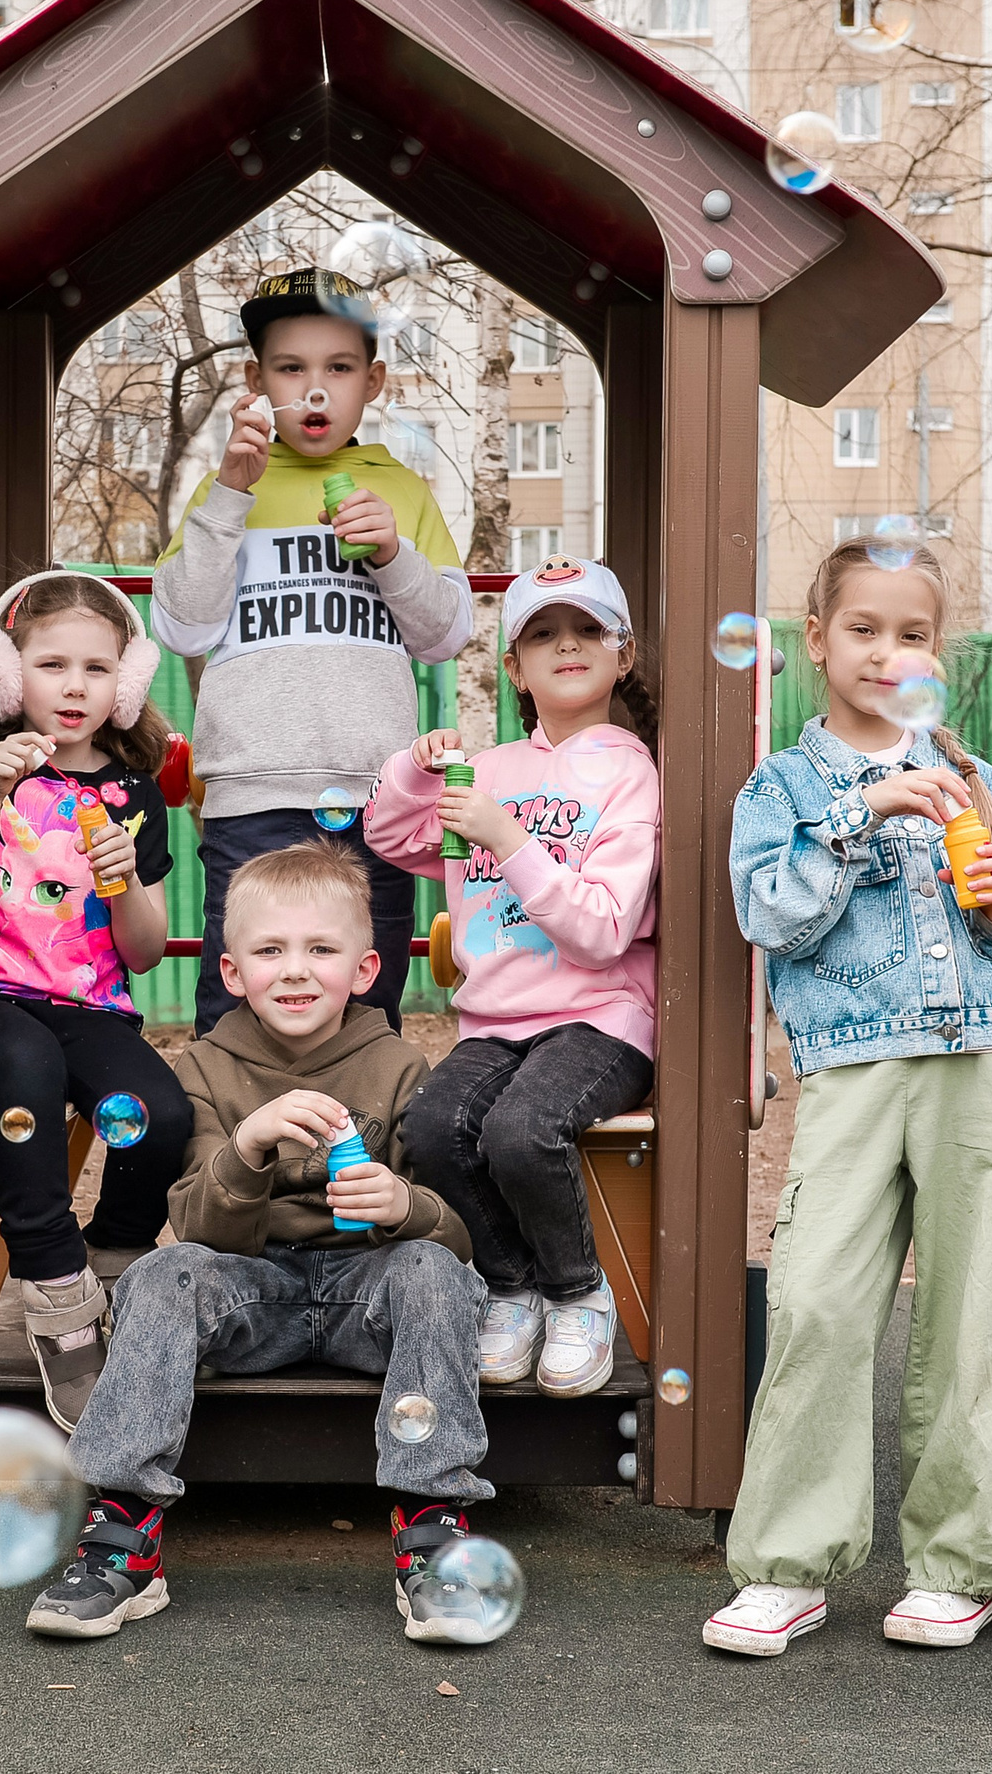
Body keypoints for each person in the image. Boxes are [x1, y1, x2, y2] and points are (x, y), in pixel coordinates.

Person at [705, 536, 992, 1657]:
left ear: (935, 656)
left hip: (980, 1067)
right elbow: (769, 915)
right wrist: (864, 818)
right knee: (814, 1303)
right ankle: (786, 1568)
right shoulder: (781, 787)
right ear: (814, 639)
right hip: (854, 1073)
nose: (885, 651)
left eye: (911, 634)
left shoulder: (980, 779)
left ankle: (965, 1564)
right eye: (862, 628)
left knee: (974, 1316)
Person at [24, 841, 500, 1646]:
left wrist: (403, 1204)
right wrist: (245, 1149)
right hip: (254, 1294)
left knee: (430, 1273)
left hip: (368, 1293)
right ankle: (122, 1535)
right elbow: (201, 1230)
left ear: (366, 967)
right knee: (164, 1272)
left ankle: (431, 1526)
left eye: (321, 950)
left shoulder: (401, 1065)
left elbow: (457, 1238)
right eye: (270, 951)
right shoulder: (205, 1068)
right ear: (233, 970)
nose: (295, 970)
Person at [150, 266, 474, 1037]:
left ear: (375, 381)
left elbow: (445, 635)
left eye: (339, 368)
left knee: (364, 1010)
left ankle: (357, 1160)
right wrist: (230, 491)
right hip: (251, 801)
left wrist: (395, 552)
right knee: (235, 1017)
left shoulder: (401, 489)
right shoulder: (225, 487)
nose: (317, 390)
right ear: (254, 381)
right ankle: (228, 1158)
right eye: (292, 369)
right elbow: (182, 627)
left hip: (377, 803)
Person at [365, 556, 661, 1399]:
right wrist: (416, 772)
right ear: (515, 669)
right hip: (496, 1021)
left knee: (521, 1129)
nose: (566, 645)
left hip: (600, 1019)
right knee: (431, 1125)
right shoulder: (489, 770)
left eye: (587, 630)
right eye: (541, 634)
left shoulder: (632, 774)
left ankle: (578, 1293)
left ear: (623, 654)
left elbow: (604, 931)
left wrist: (511, 838)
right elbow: (395, 838)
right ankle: (512, 1285)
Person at [0, 570, 193, 1432]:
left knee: (163, 1115)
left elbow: (143, 950)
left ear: (126, 685)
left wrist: (126, 884)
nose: (75, 686)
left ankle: (112, 1263)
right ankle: (57, 1300)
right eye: (52, 664)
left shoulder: (133, 794)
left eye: (98, 669)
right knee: (26, 1065)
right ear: (7, 673)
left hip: (92, 1003)